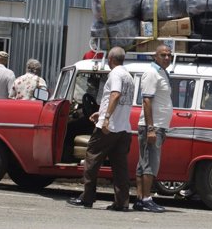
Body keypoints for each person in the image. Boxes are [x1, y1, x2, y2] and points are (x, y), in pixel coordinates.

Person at [68, 47, 135, 211]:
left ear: (111, 59)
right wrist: (102, 112)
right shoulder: (129, 76)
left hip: (109, 127)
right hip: (123, 128)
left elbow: (115, 95)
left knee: (92, 158)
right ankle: (122, 202)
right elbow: (120, 100)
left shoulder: (115, 74)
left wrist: (105, 118)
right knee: (120, 167)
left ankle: (87, 197)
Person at [133, 44, 174, 213]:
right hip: (152, 126)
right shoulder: (151, 73)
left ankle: (140, 199)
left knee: (145, 163)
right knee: (150, 163)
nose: (166, 58)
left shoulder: (162, 72)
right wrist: (150, 128)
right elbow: (147, 101)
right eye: (163, 55)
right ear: (155, 56)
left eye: (169, 55)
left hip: (158, 125)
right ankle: (146, 199)